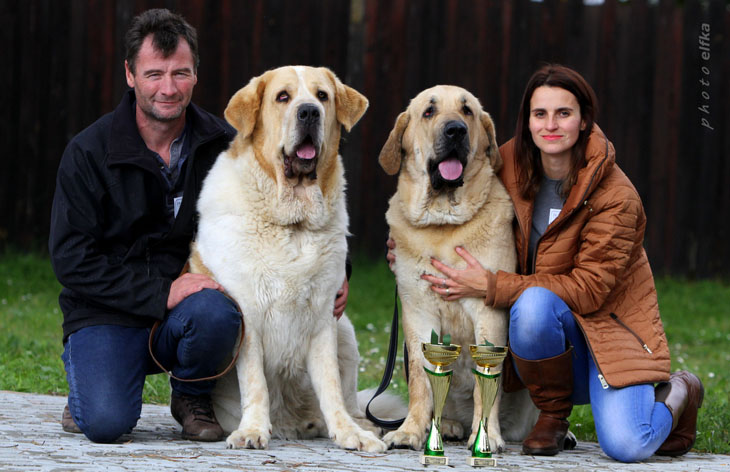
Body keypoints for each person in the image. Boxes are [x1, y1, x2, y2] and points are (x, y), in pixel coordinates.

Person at [49, 8, 351, 444]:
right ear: (130, 75)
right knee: (107, 422)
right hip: (109, 310)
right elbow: (71, 260)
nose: (168, 88)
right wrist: (160, 292)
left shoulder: (223, 143)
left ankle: (191, 394)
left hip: (192, 311)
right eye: (154, 74)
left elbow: (288, 215)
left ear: (196, 76)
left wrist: (339, 273)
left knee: (218, 311)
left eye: (180, 74)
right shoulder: (88, 152)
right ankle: (92, 386)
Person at [391, 64, 704, 463]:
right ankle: (553, 415)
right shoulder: (504, 166)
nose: (551, 125)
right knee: (534, 308)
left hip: (608, 339)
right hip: (546, 343)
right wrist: (409, 243)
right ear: (528, 123)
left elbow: (588, 290)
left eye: (564, 113)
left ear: (585, 120)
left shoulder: (617, 197)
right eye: (540, 114)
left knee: (630, 443)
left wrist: (490, 285)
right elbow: (441, 199)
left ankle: (680, 390)